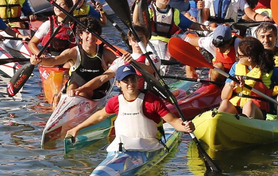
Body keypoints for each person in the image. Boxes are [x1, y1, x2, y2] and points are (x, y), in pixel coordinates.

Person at [63, 64, 192, 150]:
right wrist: (77, 128)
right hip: (122, 149)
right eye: (126, 81)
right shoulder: (115, 102)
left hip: (149, 148)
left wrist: (185, 127)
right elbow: (100, 115)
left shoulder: (151, 101)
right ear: (118, 84)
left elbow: (173, 121)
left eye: (133, 79)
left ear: (137, 80)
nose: (130, 84)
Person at [37, 25, 115, 99]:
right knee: (72, 86)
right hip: (74, 89)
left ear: (98, 35)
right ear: (81, 35)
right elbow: (54, 60)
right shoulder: (73, 52)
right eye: (87, 33)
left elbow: (121, 66)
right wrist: (39, 60)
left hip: (97, 91)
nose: (91, 36)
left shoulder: (106, 54)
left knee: (82, 93)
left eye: (94, 33)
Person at [219, 36, 278, 120]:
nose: (236, 56)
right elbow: (223, 97)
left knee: (249, 104)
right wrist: (232, 84)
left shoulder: (268, 69)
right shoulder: (236, 67)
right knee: (225, 103)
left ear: (249, 58)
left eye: (239, 55)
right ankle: (218, 123)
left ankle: (244, 125)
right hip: (237, 108)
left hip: (258, 111)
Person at [136, 0, 200, 62]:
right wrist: (138, 1)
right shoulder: (149, 10)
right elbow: (137, 22)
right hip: (153, 42)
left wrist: (207, 28)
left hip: (169, 43)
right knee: (161, 63)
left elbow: (191, 25)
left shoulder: (174, 12)